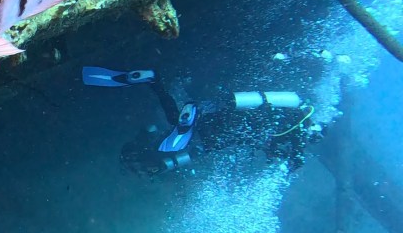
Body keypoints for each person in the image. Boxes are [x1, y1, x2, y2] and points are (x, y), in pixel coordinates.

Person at [82, 66, 323, 177]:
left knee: (180, 126)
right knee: (180, 137)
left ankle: (155, 81)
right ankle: (180, 116)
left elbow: (232, 137)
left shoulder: (286, 119)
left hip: (221, 121)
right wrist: (294, 155)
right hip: (222, 127)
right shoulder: (295, 127)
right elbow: (229, 141)